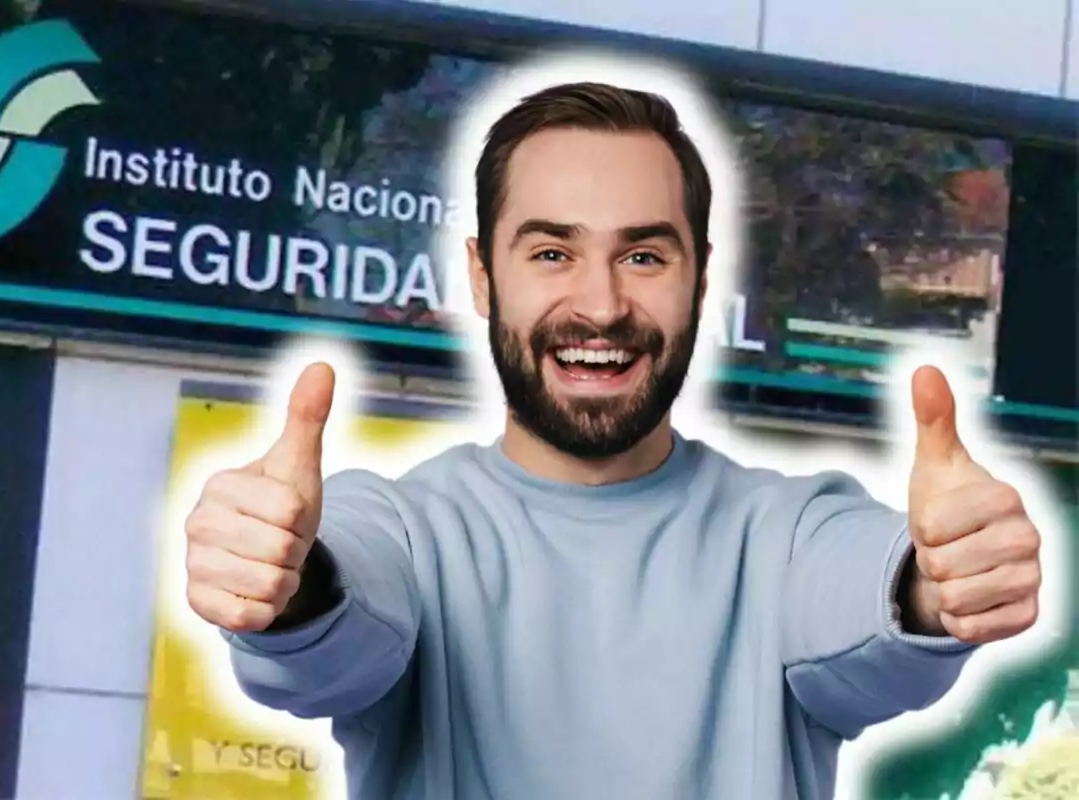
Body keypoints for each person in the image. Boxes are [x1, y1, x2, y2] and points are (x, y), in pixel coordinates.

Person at [184, 82, 1043, 799]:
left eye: (643, 257)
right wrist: (284, 583)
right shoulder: (403, 532)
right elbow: (333, 636)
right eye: (553, 253)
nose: (599, 305)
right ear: (485, 277)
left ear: (699, 279)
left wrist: (939, 584)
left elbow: (874, 612)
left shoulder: (787, 535)